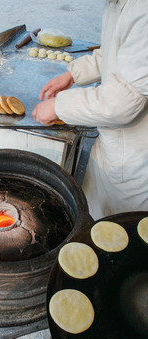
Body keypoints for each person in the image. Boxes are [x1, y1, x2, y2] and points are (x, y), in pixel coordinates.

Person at [32, 0, 148, 220]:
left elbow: (124, 101)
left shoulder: (144, 10)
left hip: (138, 158)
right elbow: (113, 51)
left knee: (125, 231)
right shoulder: (118, 4)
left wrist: (59, 106)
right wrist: (72, 74)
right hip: (114, 144)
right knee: (95, 218)